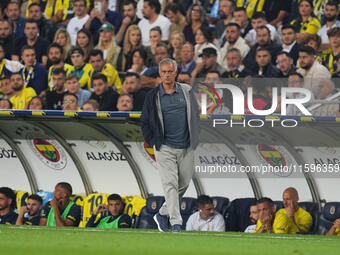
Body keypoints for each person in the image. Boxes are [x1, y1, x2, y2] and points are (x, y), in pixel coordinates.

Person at [141, 58, 200, 232]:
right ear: (160, 74)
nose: (167, 75)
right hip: (164, 146)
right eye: (164, 72)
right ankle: (176, 223)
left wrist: (195, 137)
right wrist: (152, 140)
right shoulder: (152, 96)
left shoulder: (187, 91)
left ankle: (162, 213)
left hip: (186, 145)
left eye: (170, 71)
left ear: (176, 73)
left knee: (184, 183)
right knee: (170, 185)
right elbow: (144, 120)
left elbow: (196, 115)